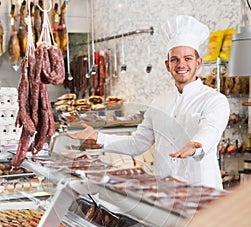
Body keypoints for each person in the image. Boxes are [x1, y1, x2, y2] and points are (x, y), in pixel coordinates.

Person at [66, 15, 230, 190]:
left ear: (198, 63)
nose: (181, 64)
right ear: (167, 65)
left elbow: (209, 131)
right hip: (166, 194)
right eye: (175, 59)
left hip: (203, 195)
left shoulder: (215, 100)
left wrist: (196, 145)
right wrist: (97, 137)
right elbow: (137, 144)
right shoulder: (159, 102)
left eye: (188, 58)